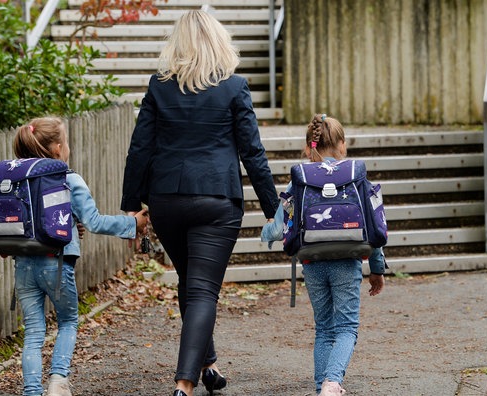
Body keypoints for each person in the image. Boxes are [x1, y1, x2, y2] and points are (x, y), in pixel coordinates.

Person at [119, 10, 280, 396]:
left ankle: (208, 366)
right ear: (219, 42)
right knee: (203, 289)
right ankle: (184, 384)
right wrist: (276, 210)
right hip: (217, 200)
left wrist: (131, 205)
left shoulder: (160, 87)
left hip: (168, 200)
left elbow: (140, 148)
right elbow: (253, 154)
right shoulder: (234, 87)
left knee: (192, 282)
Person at [12, 117, 149, 396]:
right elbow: (95, 221)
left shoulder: (16, 179)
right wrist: (133, 224)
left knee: (34, 331)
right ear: (58, 149)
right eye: (67, 143)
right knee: (68, 321)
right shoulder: (68, 178)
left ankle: (31, 391)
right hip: (57, 263)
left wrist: (73, 226)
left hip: (23, 263)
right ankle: (58, 382)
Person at [261, 114, 387, 396]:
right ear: (342, 145)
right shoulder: (357, 177)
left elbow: (280, 225)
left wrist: (267, 234)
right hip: (347, 260)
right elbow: (375, 225)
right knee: (346, 327)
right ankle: (332, 382)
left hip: (312, 261)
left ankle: (323, 387)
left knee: (324, 329)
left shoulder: (300, 181)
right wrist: (377, 269)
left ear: (309, 148)